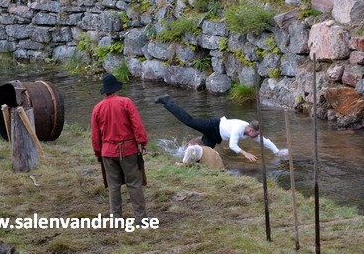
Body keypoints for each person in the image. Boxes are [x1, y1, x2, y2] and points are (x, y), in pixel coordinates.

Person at [155, 95, 287, 162]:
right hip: (213, 126)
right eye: (256, 134)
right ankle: (167, 101)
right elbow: (232, 145)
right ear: (251, 130)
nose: (256, 137)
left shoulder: (252, 132)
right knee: (189, 121)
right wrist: (245, 153)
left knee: (203, 153)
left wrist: (277, 152)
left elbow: (265, 141)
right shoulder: (238, 128)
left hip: (216, 136)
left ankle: (184, 158)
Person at [91, 74, 148, 223]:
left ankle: (116, 218)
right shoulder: (126, 102)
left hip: (107, 152)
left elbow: (95, 135)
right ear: (116, 88)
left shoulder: (97, 108)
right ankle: (140, 219)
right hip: (128, 150)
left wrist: (98, 153)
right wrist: (142, 142)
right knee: (134, 184)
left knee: (113, 186)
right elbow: (137, 125)